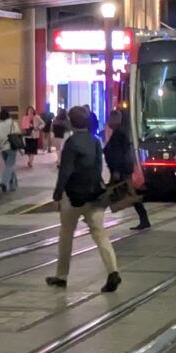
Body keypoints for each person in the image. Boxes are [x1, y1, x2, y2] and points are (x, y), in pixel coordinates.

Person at [49, 105, 120, 292]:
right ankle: (113, 271)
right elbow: (98, 168)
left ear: (71, 123)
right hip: (95, 195)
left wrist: (58, 193)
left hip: (73, 196)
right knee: (100, 234)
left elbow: (65, 171)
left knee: (66, 234)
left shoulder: (71, 143)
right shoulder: (95, 141)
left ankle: (61, 276)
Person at [104, 108, 151, 231]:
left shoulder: (119, 134)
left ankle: (144, 219)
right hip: (122, 170)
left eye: (110, 119)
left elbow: (119, 154)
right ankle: (144, 219)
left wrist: (117, 171)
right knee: (125, 194)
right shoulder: (120, 133)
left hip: (121, 170)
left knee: (126, 194)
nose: (108, 122)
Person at [0, 107, 23, 193]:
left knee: (9, 165)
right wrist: (21, 147)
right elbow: (18, 135)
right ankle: (4, 182)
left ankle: (13, 184)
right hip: (12, 147)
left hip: (3, 149)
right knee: (9, 166)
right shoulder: (13, 123)